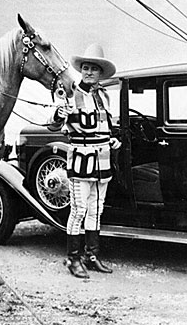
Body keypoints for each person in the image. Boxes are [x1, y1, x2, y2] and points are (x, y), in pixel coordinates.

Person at [49, 43, 121, 279]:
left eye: (94, 69)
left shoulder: (104, 96)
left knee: (96, 210)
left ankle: (92, 255)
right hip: (81, 160)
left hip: (103, 161)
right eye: (86, 68)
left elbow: (107, 127)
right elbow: (53, 124)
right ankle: (73, 258)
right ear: (81, 70)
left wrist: (113, 140)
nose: (89, 72)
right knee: (78, 210)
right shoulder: (70, 94)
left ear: (100, 73)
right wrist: (59, 114)